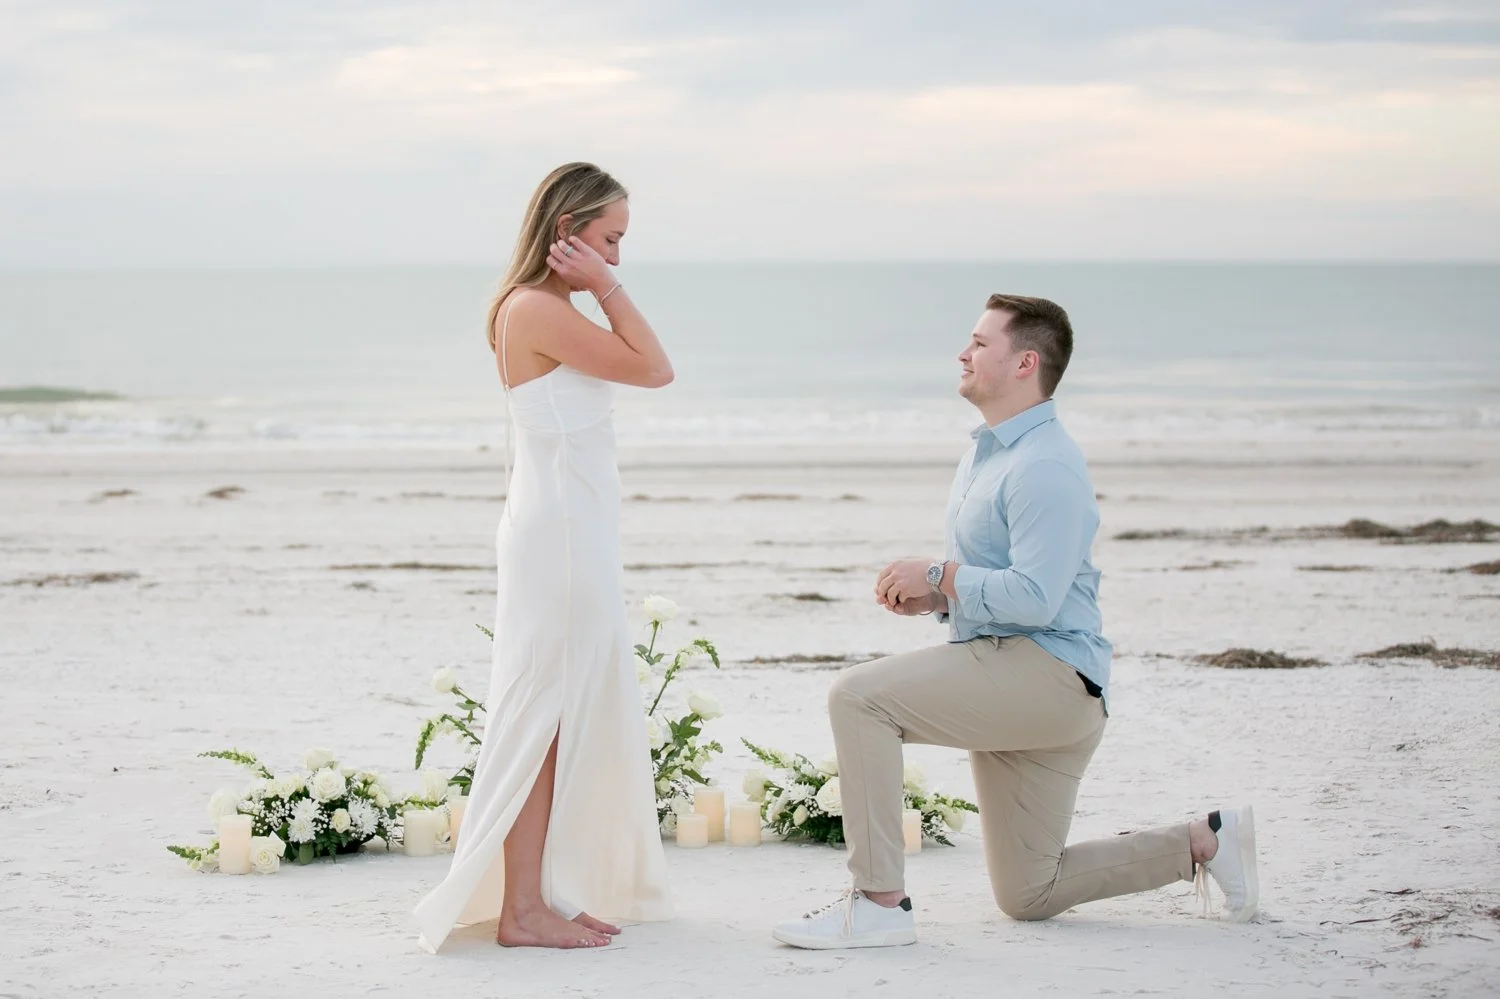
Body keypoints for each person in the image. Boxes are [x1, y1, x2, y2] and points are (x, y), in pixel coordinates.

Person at [771, 294, 1258, 950]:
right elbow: (1006, 580)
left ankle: (879, 902)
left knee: (858, 699)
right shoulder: (989, 452)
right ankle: (1205, 839)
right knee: (1031, 891)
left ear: (1025, 361)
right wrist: (940, 600)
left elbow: (1035, 597)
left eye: (978, 341)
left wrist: (941, 576)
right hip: (1016, 675)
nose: (962, 352)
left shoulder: (1045, 464)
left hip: (1049, 676)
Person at [415, 163, 675, 952]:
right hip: (560, 535)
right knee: (540, 715)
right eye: (609, 239)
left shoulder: (540, 306)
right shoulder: (536, 308)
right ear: (569, 234)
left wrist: (597, 284)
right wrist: (607, 289)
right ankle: (521, 908)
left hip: (569, 528)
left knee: (554, 715)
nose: (618, 259)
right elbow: (655, 368)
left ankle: (537, 896)